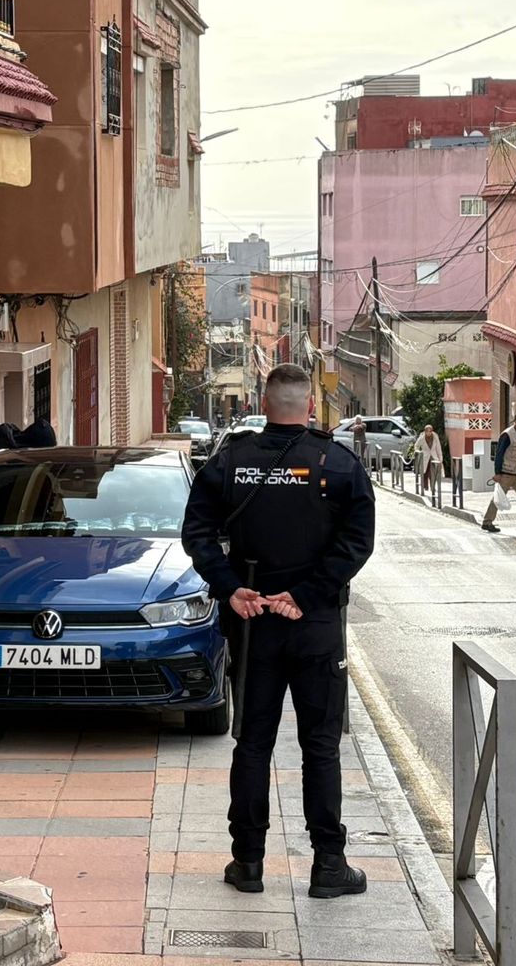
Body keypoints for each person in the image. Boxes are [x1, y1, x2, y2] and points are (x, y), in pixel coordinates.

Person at [181, 364, 376, 901]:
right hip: (313, 626)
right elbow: (358, 543)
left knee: (252, 744)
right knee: (320, 747)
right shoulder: (338, 465)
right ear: (310, 407)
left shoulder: (231, 461)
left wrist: (229, 588)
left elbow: (194, 531)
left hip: (251, 621)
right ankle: (328, 867)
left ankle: (247, 864)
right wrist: (307, 596)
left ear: (265, 405)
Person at [410, 425, 445, 492]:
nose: (429, 432)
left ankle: (432, 487)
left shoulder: (435, 437)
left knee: (433, 473)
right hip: (425, 457)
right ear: (425, 431)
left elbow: (438, 448)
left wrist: (440, 458)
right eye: (427, 431)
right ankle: (425, 486)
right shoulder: (422, 437)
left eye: (430, 431)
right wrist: (418, 452)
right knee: (425, 473)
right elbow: (416, 446)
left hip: (433, 457)